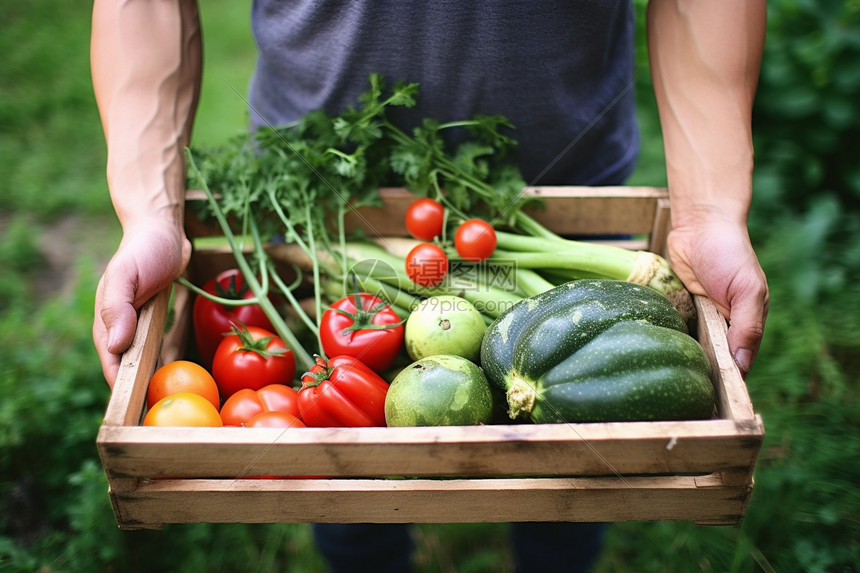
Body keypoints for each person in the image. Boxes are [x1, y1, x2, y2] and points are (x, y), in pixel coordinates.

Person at [90, 1, 768, 571]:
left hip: (569, 191)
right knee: (350, 496)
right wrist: (150, 212)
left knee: (579, 467)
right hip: (321, 181)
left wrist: (707, 208)